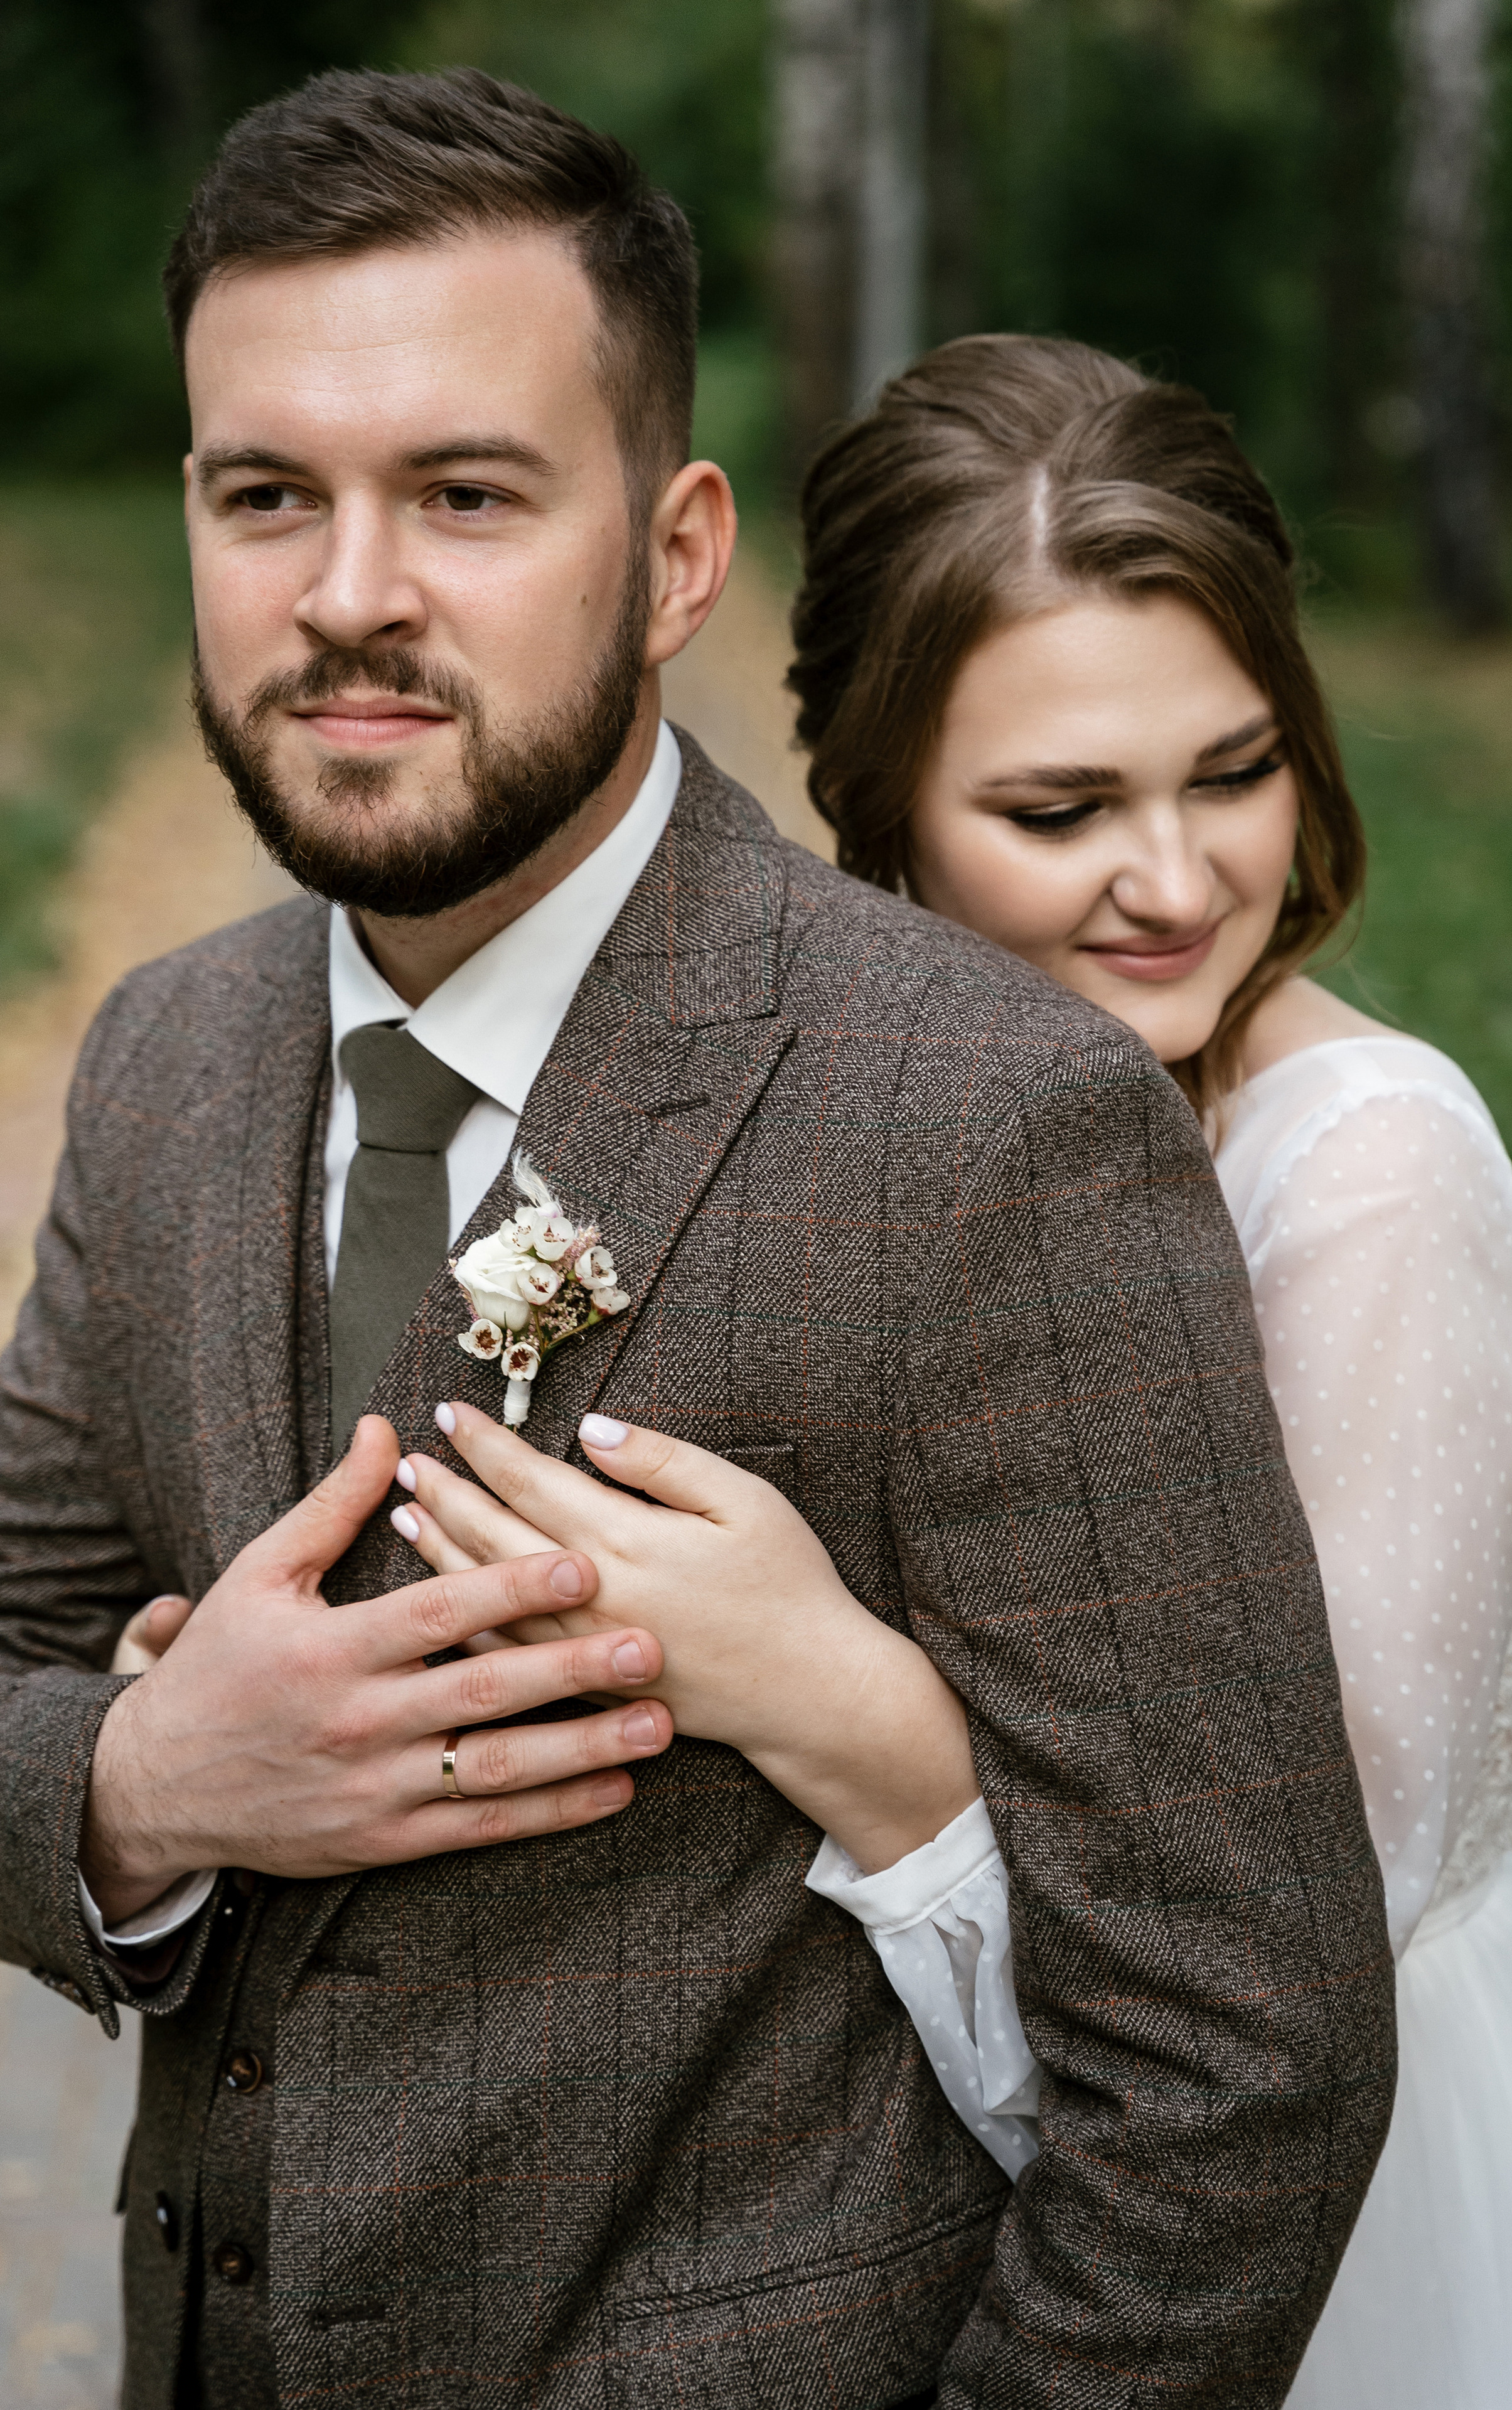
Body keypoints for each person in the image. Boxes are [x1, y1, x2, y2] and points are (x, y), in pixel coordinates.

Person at [0, 73, 1393, 2410]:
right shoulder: (164, 1057)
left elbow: (1247, 2077)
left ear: (672, 553)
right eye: (271, 497)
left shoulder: (997, 1127)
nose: (350, 594)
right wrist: (148, 1788)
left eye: (465, 492)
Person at [378, 330, 1512, 2404]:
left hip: (1313, 2241)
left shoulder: (1367, 1177)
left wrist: (830, 1691)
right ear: (881, 815)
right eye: (1060, 809)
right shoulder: (874, 1112)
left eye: (1236, 770)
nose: (1179, 878)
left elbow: (1296, 1972)